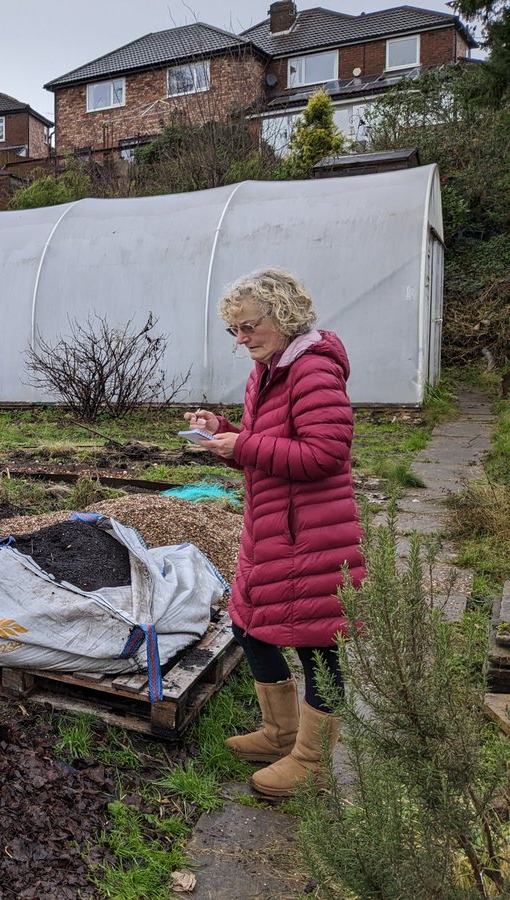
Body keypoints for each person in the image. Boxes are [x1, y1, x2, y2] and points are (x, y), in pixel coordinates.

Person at [184, 267, 363, 799]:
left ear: (283, 316)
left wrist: (239, 447)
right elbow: (270, 442)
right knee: (250, 625)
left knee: (316, 646)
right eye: (233, 331)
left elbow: (324, 454)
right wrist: (224, 430)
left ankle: (313, 762)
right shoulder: (268, 370)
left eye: (248, 326)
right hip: (271, 528)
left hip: (312, 533)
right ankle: (280, 733)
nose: (241, 340)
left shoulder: (312, 372)